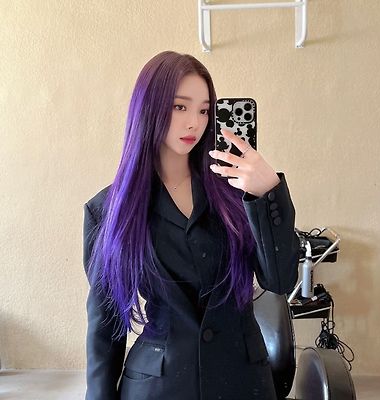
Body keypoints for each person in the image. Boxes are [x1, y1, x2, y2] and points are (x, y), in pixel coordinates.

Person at [83, 50, 300, 400]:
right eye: (180, 107)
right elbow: (105, 326)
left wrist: (267, 194)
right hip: (158, 386)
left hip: (241, 381)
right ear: (149, 108)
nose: (194, 123)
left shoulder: (237, 194)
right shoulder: (110, 210)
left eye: (203, 110)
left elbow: (280, 280)